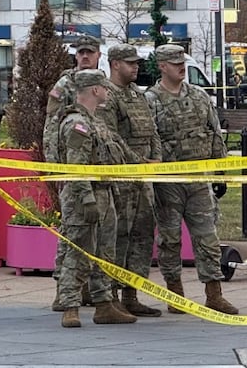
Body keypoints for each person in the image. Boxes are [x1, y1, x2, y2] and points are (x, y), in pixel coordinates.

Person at [144, 44, 238, 315]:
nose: (180, 67)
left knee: (207, 237)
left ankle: (214, 293)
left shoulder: (199, 96)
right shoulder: (151, 100)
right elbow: (149, 141)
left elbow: (214, 131)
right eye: (174, 63)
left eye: (182, 62)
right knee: (170, 240)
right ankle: (175, 294)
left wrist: (220, 170)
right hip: (168, 182)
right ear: (162, 66)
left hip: (198, 180)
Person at [56, 69, 138, 328]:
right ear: (94, 89)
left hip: (105, 194)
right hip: (83, 197)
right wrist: (87, 199)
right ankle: (70, 306)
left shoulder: (97, 121)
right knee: (79, 251)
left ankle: (104, 305)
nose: (106, 90)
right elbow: (76, 166)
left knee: (105, 253)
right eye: (103, 86)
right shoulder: (76, 124)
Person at [99, 43, 162, 317]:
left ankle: (131, 293)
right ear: (115, 64)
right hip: (122, 178)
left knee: (142, 236)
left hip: (143, 178)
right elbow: (110, 137)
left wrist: (155, 159)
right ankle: (110, 297)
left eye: (137, 63)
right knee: (118, 237)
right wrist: (138, 163)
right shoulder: (106, 95)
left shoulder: (138, 95)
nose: (136, 67)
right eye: (130, 63)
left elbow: (152, 130)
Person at [46, 33, 102, 312]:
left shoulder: (103, 85)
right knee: (72, 230)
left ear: (98, 55)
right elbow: (51, 127)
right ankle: (63, 289)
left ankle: (90, 289)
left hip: (98, 168)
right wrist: (56, 168)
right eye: (80, 53)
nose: (84, 57)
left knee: (96, 234)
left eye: (89, 52)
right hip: (71, 165)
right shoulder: (65, 84)